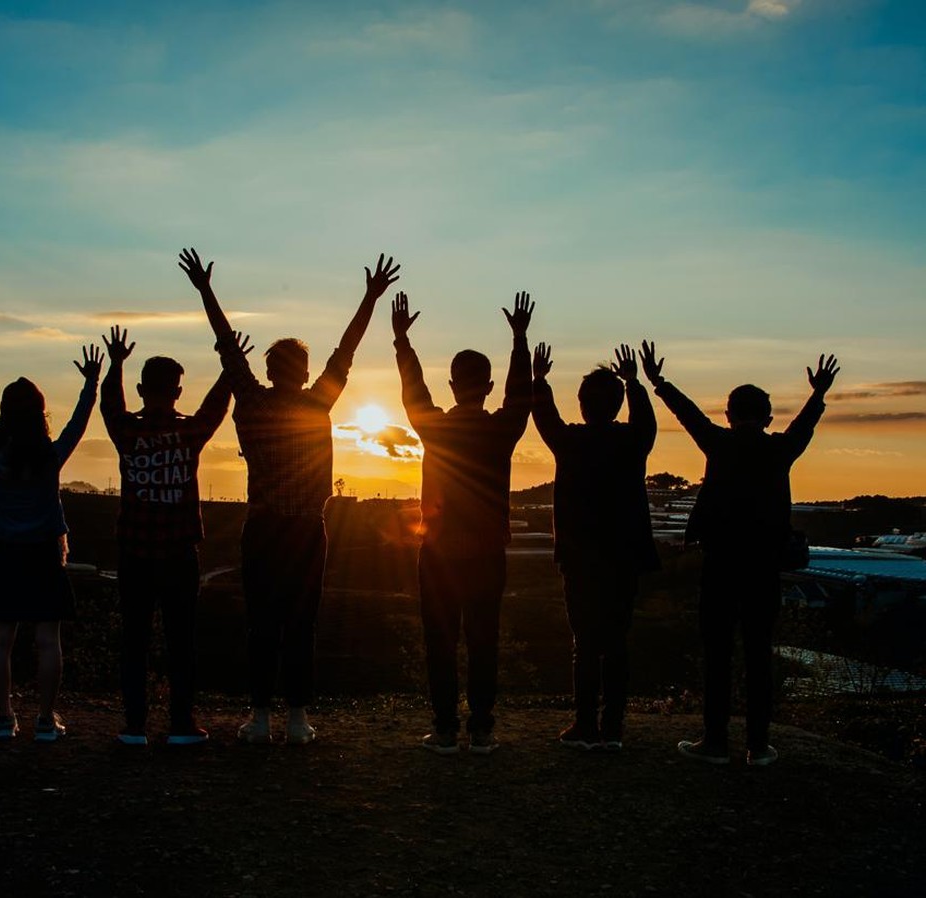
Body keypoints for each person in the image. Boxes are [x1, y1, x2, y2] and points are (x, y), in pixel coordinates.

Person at [179, 246, 400, 745]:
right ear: (302, 371)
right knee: (301, 624)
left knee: (261, 624)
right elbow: (347, 350)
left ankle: (259, 717)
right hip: (304, 531)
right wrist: (369, 297)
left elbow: (227, 348)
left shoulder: (252, 401)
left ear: (270, 367)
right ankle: (297, 719)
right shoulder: (318, 402)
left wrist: (206, 291)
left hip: (263, 528)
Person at [641, 341, 840, 767]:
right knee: (758, 654)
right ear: (768, 417)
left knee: (717, 654)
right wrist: (818, 394)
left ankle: (714, 741)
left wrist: (659, 382)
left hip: (720, 564)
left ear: (728, 415)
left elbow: (688, 414)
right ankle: (758, 744)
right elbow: (804, 425)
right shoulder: (779, 449)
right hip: (764, 566)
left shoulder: (719, 443)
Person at [391, 289, 533, 754]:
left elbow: (414, 392)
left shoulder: (436, 427)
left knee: (441, 641)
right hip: (488, 552)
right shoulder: (501, 430)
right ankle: (483, 729)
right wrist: (519, 340)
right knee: (483, 640)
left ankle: (447, 729)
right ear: (487, 386)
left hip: (438, 552)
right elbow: (521, 397)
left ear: (452, 385)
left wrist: (402, 342)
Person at [100, 325, 241, 747]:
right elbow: (217, 406)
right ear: (178, 391)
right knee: (182, 641)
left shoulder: (127, 433)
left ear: (141, 389)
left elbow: (109, 404)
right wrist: (228, 366)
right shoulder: (189, 433)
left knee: (135, 639)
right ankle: (181, 723)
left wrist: (115, 364)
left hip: (135, 554)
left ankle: (134, 725)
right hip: (179, 554)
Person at [0, 341, 103, 742]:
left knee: (1, 639)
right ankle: (45, 719)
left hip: (6, 554)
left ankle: (4, 718)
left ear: (6, 414)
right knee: (48, 640)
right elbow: (78, 423)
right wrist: (91, 384)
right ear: (40, 414)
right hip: (45, 555)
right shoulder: (50, 455)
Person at [532, 343, 659, 752]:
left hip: (580, 558)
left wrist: (539, 380)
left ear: (583, 405)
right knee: (617, 640)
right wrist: (635, 383)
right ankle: (614, 728)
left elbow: (544, 417)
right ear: (618, 404)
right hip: (624, 556)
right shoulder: (633, 441)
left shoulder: (571, 442)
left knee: (584, 643)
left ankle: (585, 725)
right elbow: (647, 423)